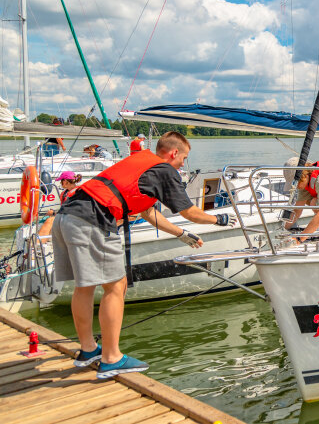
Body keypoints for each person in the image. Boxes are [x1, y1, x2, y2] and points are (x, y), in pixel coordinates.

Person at [52, 131, 237, 378]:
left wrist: (181, 234)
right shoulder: (164, 170)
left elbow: (148, 212)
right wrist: (219, 219)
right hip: (92, 221)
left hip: (65, 217)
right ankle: (111, 358)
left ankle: (88, 350)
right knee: (116, 287)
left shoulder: (141, 163)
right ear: (174, 153)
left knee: (84, 287)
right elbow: (190, 212)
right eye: (184, 158)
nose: (183, 163)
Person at [37, 171, 82, 238]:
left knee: (50, 220)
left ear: (65, 181)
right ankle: (44, 239)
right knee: (49, 217)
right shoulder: (65, 193)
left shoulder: (78, 193)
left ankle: (38, 243)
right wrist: (54, 213)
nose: (60, 183)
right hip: (66, 217)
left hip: (74, 220)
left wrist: (55, 215)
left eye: (61, 181)